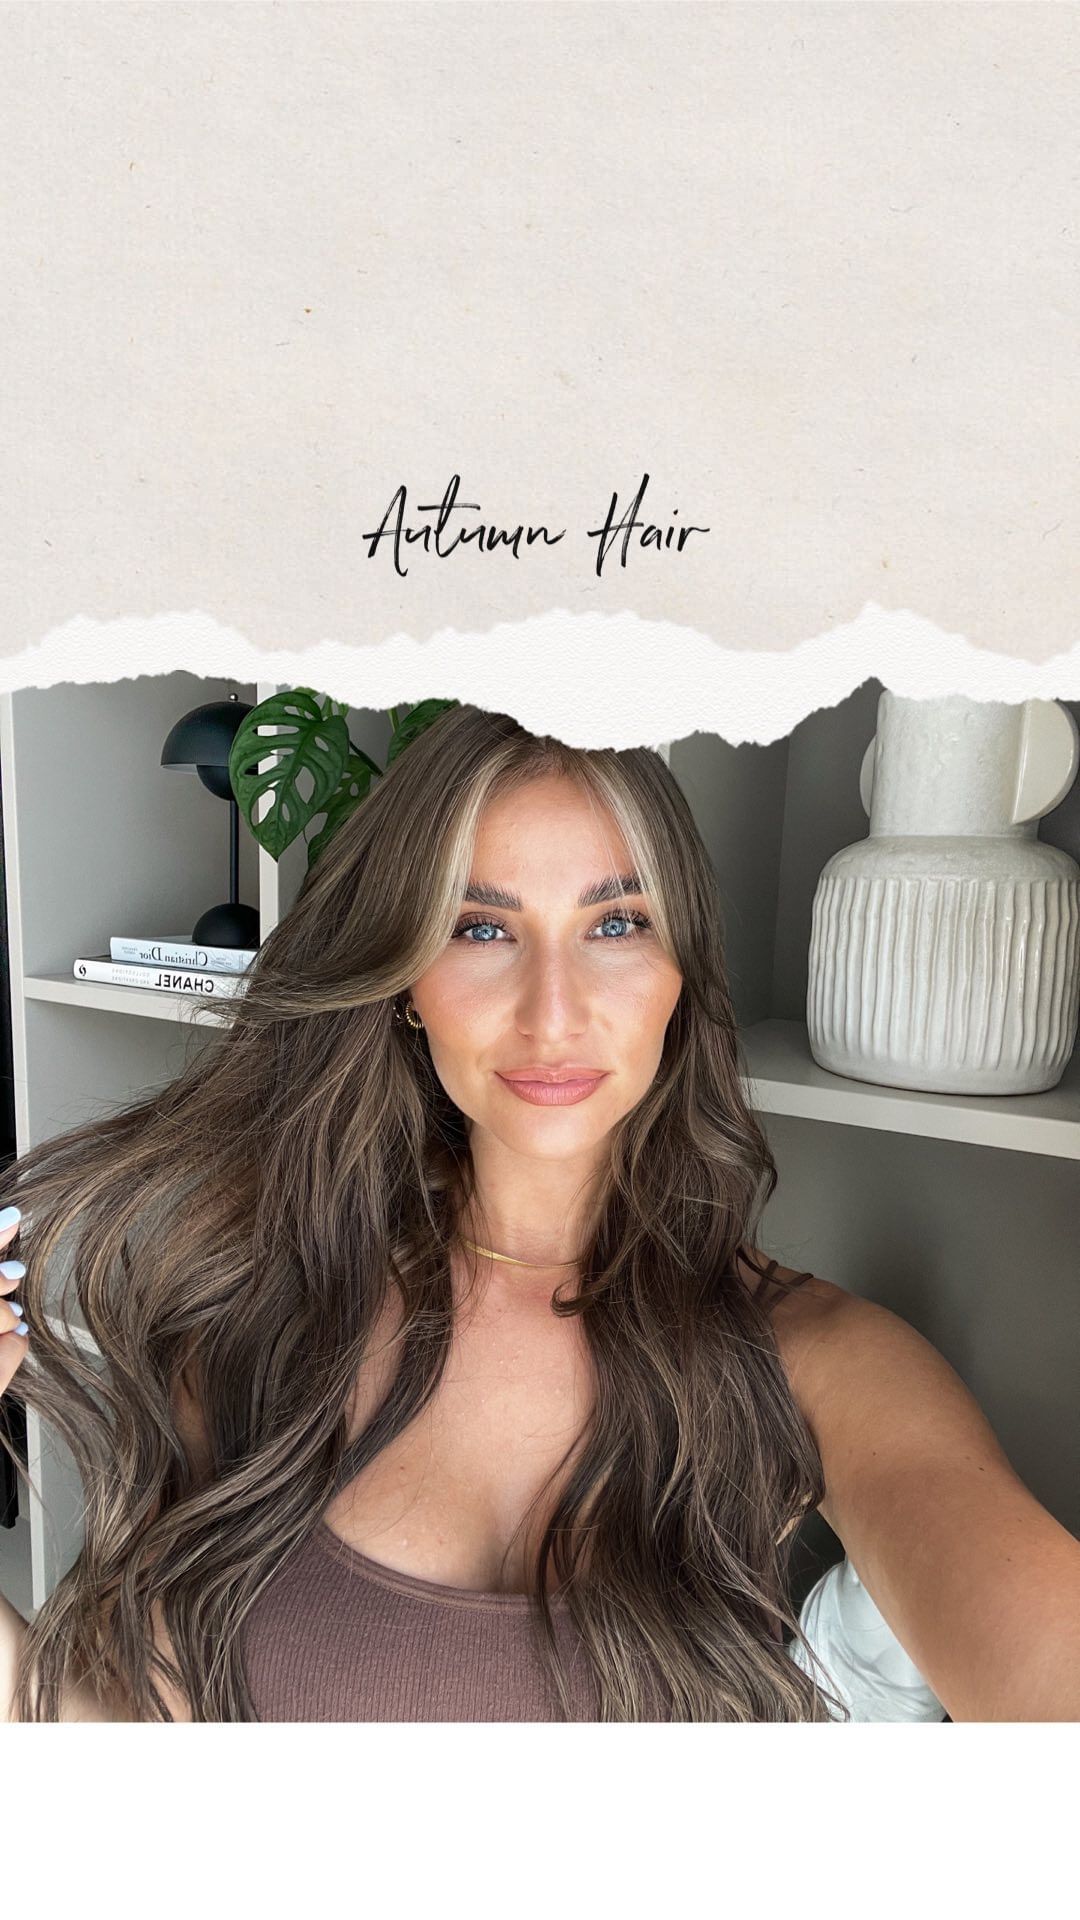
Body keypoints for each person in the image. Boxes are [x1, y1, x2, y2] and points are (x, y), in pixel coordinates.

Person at [1, 705, 1078, 1721]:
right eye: (481, 928)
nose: (552, 1015)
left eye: (617, 923)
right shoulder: (268, 1311)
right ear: (405, 983)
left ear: (680, 973)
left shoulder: (821, 1365)